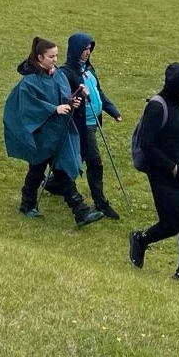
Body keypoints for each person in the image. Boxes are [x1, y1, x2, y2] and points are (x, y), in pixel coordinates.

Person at [2, 36, 106, 227]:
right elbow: (29, 107)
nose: (55, 60)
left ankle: (31, 204)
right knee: (46, 169)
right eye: (51, 57)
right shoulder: (29, 82)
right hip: (41, 134)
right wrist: (53, 109)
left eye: (56, 56)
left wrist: (72, 101)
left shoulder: (57, 75)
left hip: (58, 132)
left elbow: (63, 97)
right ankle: (79, 210)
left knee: (44, 169)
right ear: (39, 57)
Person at [129, 62, 179, 286]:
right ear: (176, 86)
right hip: (166, 177)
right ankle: (141, 239)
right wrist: (172, 168)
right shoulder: (157, 107)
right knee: (172, 223)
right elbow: (148, 144)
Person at [58, 32, 123, 219]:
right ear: (75, 49)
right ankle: (100, 202)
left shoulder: (89, 69)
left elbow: (98, 92)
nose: (88, 52)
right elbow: (64, 98)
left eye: (89, 49)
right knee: (94, 161)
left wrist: (113, 110)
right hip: (81, 124)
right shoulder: (66, 73)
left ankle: (55, 182)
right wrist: (77, 96)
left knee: (78, 157)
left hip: (93, 122)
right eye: (84, 49)